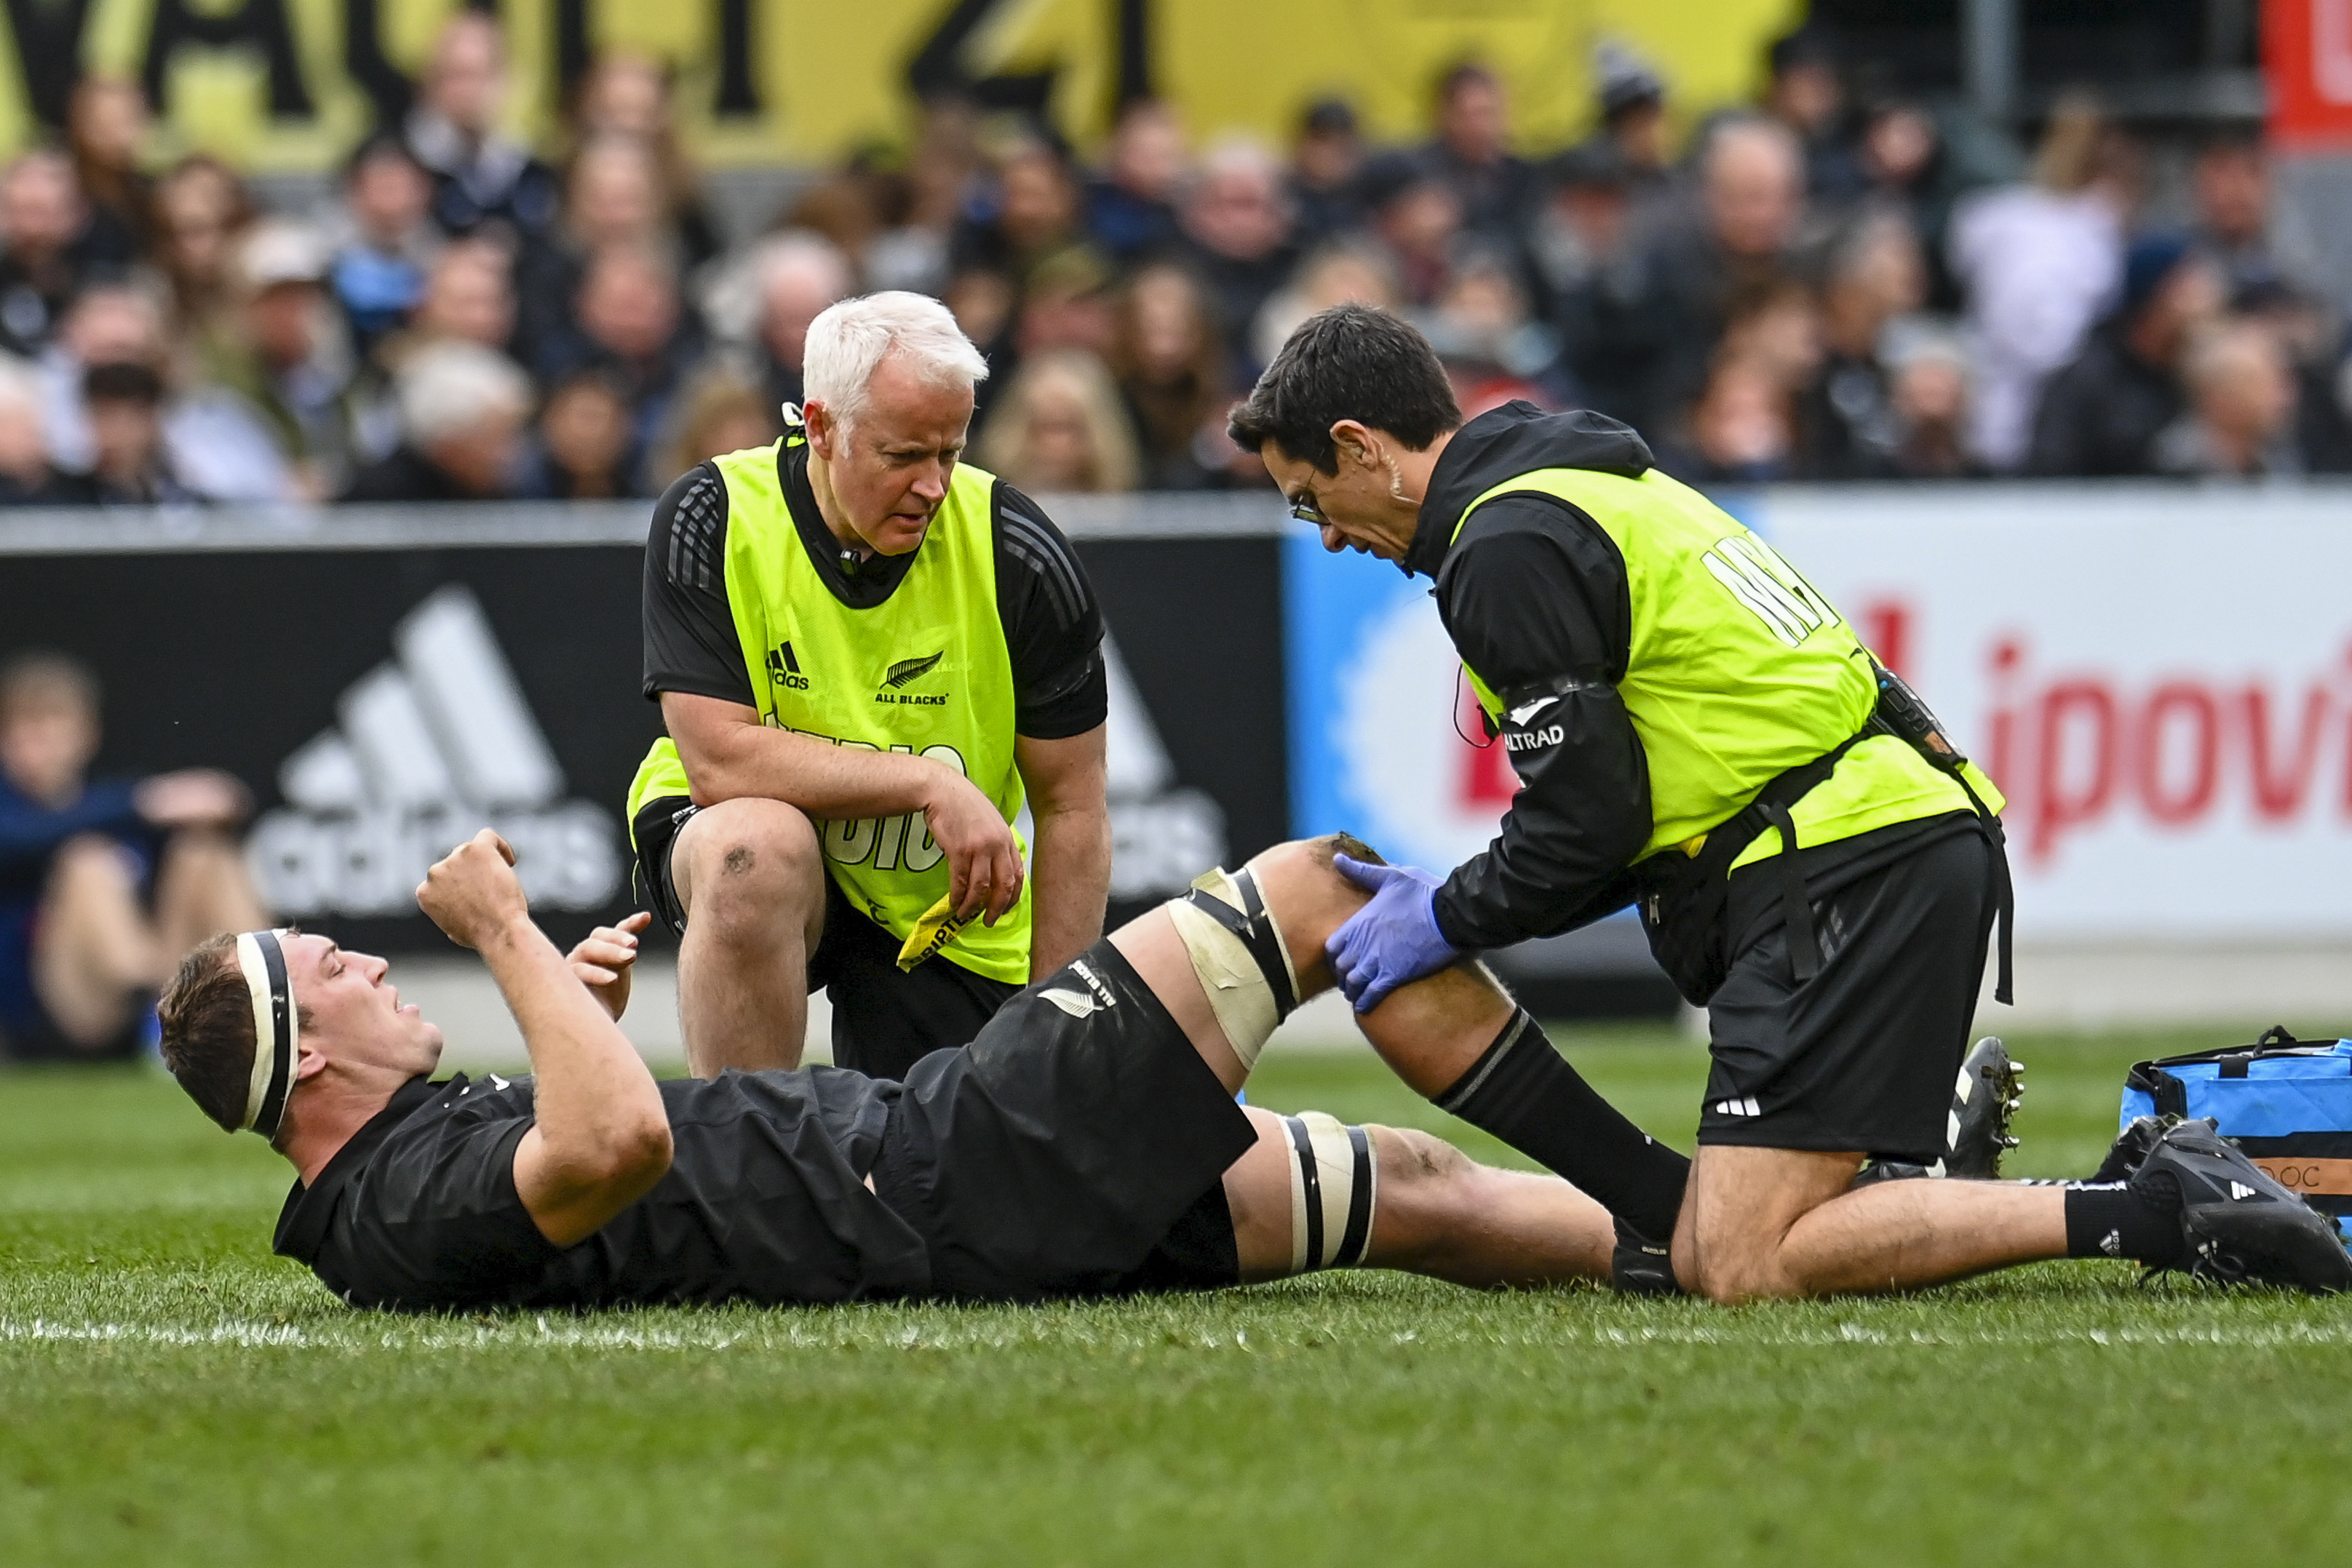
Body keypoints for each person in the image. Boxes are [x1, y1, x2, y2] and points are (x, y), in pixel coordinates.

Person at [1215, 304, 2347, 1303]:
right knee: (1723, 1239)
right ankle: (1908, 1175)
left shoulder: (1499, 546)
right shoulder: (1576, 481)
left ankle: (2151, 1202)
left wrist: (1449, 913)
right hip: (1880, 839)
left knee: (1743, 1261)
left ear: (1364, 446)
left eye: (1314, 497)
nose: (1323, 532)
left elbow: (1587, 828)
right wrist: (1463, 900)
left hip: (1840, 864)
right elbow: (1635, 813)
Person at [159, 829, 1685, 1311]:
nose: (358, 959)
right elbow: (611, 1148)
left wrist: (554, 998)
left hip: (944, 1190)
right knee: (1319, 889)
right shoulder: (399, 1205)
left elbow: (579, 1152)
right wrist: (499, 932)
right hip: (946, 1165)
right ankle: (1669, 1192)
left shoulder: (393, 1181)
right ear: (309, 1076)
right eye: (326, 972)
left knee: (1403, 1190)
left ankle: (1686, 1253)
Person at [626, 291, 1111, 1082]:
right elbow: (718, 760)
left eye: (949, 452)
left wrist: (1052, 1028)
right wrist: (926, 782)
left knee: (962, 1167)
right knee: (753, 849)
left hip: (932, 891)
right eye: (902, 456)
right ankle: (747, 1175)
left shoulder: (1020, 552)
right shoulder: (709, 514)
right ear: (820, 427)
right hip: (742, 822)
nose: (933, 486)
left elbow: (1075, 807)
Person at [1, 651, 265, 1061]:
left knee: (202, 853)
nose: (41, 746)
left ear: (87, 734)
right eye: (26, 730)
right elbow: (20, 839)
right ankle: (156, 1014)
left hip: (158, 975)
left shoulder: (117, 811)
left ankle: (268, 995)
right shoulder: (105, 807)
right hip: (58, 1010)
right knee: (87, 864)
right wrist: (148, 800)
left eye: (54, 727)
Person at [2027, 236, 2223, 478]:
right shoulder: (2087, 383)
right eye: (2190, 289)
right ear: (2156, 296)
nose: (2207, 302)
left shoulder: (2198, 374)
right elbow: (2052, 474)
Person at [405, 11, 560, 244]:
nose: (468, 90)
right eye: (456, 75)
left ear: (505, 80)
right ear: (429, 81)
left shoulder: (528, 169)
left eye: (480, 75)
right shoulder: (405, 162)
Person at [341, 341, 531, 503]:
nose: (510, 455)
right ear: (446, 444)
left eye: (513, 435)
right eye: (495, 440)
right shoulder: (379, 497)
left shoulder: (518, 490)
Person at [973, 348, 1140, 494]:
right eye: (1045, 428)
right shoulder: (988, 512)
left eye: (1068, 428)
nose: (1056, 445)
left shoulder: (1132, 517)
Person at [1420, 63, 1535, 240]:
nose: (1478, 127)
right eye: (1467, 115)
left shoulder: (1524, 177)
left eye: (1486, 113)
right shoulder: (1419, 175)